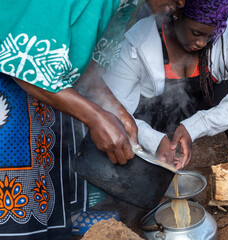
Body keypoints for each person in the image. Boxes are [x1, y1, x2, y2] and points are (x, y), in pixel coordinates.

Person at [0, 0, 184, 239]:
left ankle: (60, 223)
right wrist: (96, 116)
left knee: (55, 148)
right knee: (17, 173)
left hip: (40, 88)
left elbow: (75, 61)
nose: (182, 3)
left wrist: (114, 108)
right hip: (10, 86)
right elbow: (24, 63)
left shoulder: (127, 2)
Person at [104, 0, 228, 170]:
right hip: (155, 115)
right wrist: (154, 140)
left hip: (203, 107)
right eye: (196, 33)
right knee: (122, 113)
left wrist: (196, 126)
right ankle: (144, 155)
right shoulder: (138, 39)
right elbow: (111, 106)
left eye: (209, 36)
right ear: (177, 13)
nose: (202, 43)